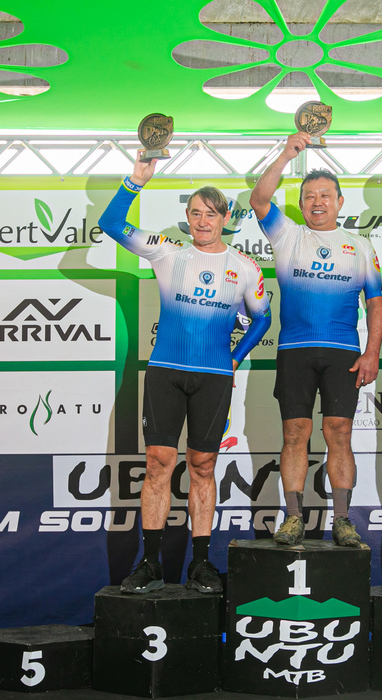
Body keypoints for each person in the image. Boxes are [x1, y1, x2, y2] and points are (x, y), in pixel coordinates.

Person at [99, 158, 271, 593]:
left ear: (225, 217)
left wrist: (236, 358)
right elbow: (111, 223)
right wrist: (136, 180)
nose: (202, 221)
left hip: (214, 376)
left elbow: (263, 318)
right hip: (166, 373)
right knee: (158, 463)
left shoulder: (245, 267)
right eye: (195, 213)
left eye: (211, 213)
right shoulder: (167, 251)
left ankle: (201, 563)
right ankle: (150, 563)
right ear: (187, 217)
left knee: (203, 466)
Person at [250, 132, 382, 547]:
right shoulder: (287, 235)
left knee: (339, 432)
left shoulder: (360, 246)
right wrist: (286, 155)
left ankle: (342, 519)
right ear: (301, 203)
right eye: (309, 196)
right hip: (294, 350)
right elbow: (259, 199)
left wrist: (372, 352)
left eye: (326, 195)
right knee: (295, 433)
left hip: (343, 351)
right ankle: (294, 518)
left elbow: (376, 304)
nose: (317, 202)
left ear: (340, 202)